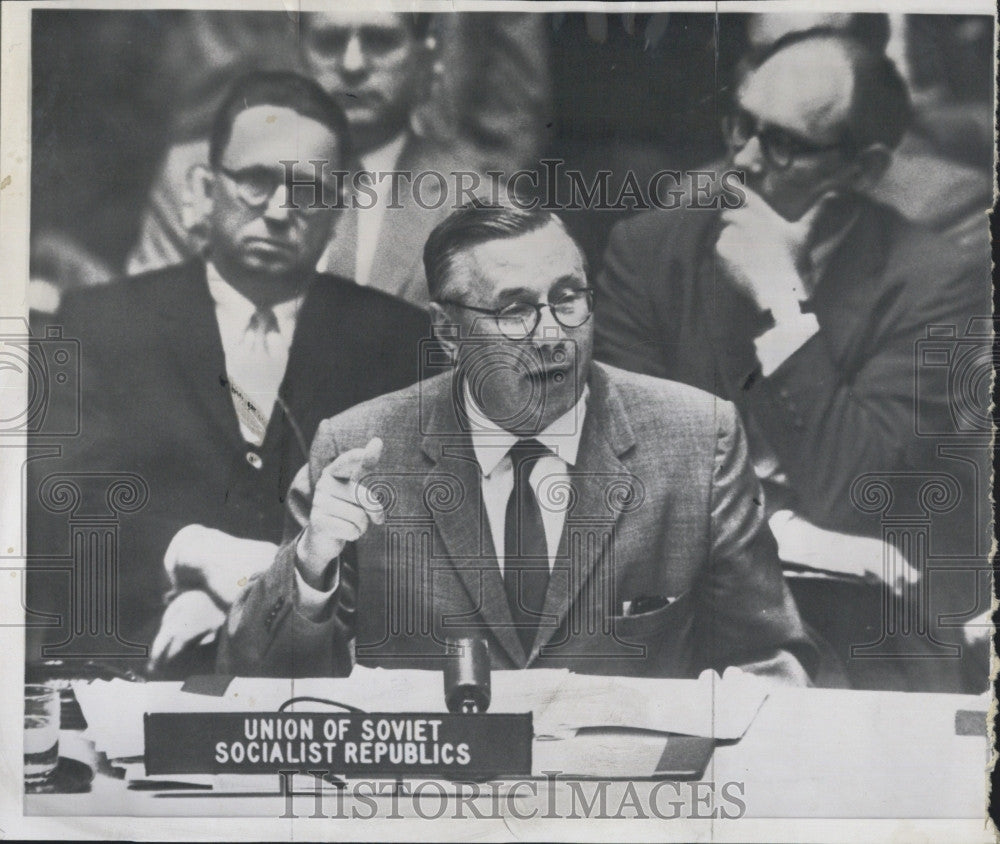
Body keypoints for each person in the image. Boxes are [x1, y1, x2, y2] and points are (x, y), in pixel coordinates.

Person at [218, 201, 816, 682]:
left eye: (568, 298)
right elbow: (254, 676)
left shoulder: (696, 439)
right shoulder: (358, 450)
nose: (553, 333)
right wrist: (311, 562)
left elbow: (772, 662)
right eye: (515, 310)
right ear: (449, 333)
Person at [594, 29, 989, 690]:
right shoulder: (649, 252)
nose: (742, 161)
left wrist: (783, 301)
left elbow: (851, 490)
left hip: (862, 621)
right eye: (740, 125)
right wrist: (779, 524)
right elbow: (635, 480)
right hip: (678, 602)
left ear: (861, 170)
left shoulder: (933, 281)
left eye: (781, 142)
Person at [27, 72, 432, 676]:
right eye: (256, 181)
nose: (277, 210)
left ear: (340, 208)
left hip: (327, 674)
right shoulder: (96, 323)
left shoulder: (397, 337)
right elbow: (51, 504)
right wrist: (191, 557)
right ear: (203, 188)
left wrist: (269, 602)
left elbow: (417, 536)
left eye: (307, 189)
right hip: (131, 663)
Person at [126, 10, 532, 307]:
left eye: (379, 40)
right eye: (329, 41)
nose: (352, 65)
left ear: (427, 57)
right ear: (296, 51)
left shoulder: (483, 211)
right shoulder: (192, 175)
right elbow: (151, 341)